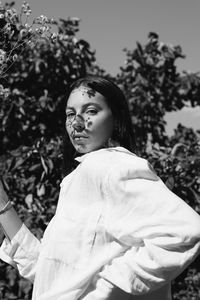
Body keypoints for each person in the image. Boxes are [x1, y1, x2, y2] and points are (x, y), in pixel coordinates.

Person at [0, 75, 200, 300]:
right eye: (70, 114)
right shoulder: (82, 176)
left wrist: (103, 291)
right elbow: (50, 271)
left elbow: (184, 231)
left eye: (91, 111)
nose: (76, 123)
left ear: (115, 119)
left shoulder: (110, 166)